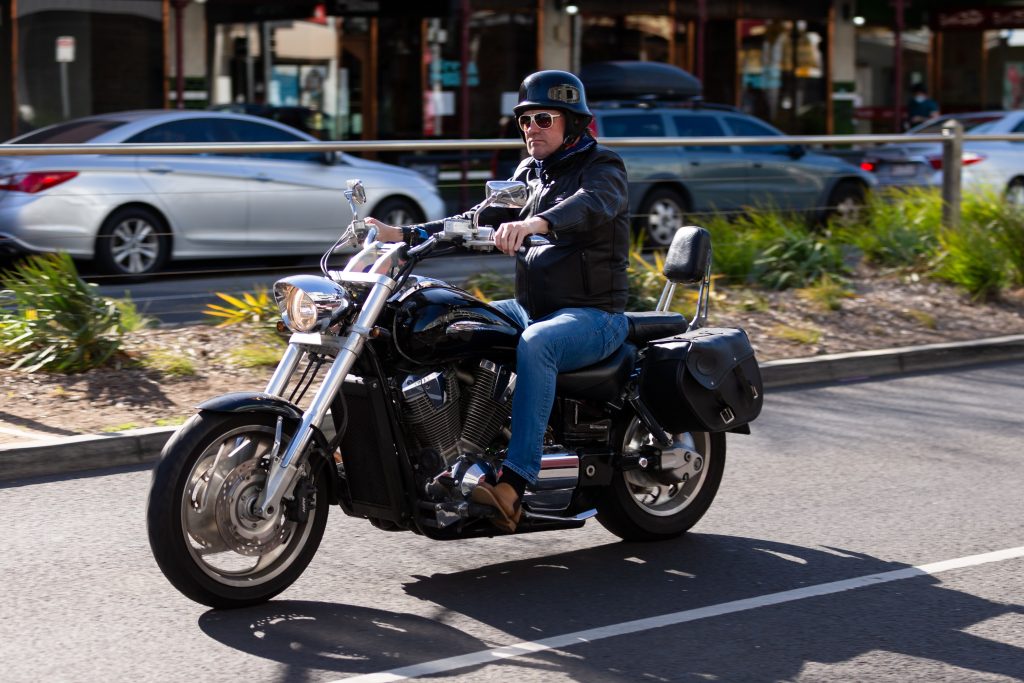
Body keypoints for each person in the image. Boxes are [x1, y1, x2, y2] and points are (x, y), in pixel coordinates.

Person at [365, 70, 631, 532]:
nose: (532, 129)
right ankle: (450, 452)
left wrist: (534, 223)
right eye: (525, 120)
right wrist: (402, 236)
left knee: (537, 344)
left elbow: (593, 203)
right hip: (532, 308)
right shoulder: (530, 173)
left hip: (593, 314)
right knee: (451, 321)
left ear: (572, 121)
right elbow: (475, 218)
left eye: (543, 119)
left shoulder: (603, 166)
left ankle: (514, 484)